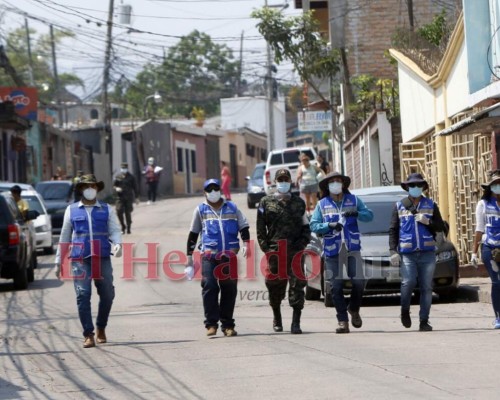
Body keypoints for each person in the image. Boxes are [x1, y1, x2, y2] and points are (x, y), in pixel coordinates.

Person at [54, 174, 122, 348]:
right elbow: (65, 236)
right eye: (86, 186)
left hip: (102, 257)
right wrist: (58, 261)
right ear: (81, 189)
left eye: (92, 186)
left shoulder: (107, 209)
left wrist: (118, 244)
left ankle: (101, 326)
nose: (90, 189)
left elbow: (114, 230)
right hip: (80, 258)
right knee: (83, 295)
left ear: (97, 189)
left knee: (108, 294)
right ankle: (88, 333)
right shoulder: (72, 210)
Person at [310, 172, 374, 334]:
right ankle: (342, 321)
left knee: (359, 282)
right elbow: (314, 225)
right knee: (335, 287)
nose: (336, 184)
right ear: (327, 186)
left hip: (352, 247)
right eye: (332, 182)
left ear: (343, 184)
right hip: (332, 249)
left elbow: (369, 216)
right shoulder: (322, 204)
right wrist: (329, 226)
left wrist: (357, 213)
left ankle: (353, 308)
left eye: (338, 181)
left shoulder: (353, 200)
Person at [185, 178, 250, 337]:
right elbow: (193, 234)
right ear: (205, 193)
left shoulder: (232, 207)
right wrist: (189, 258)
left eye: (216, 189)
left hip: (229, 256)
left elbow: (244, 226)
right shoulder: (200, 210)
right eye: (210, 190)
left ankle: (227, 325)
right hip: (209, 256)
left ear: (220, 190)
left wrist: (246, 243)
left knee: (229, 289)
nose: (213, 192)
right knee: (210, 286)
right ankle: (211, 324)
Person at [256, 168, 311, 334]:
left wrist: (302, 244)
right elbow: (260, 229)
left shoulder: (299, 203)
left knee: (297, 286)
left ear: (290, 181)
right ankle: (277, 317)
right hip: (275, 252)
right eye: (280, 180)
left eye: (286, 179)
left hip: (295, 251)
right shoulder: (265, 202)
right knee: (274, 286)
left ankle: (296, 322)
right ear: (275, 182)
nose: (283, 182)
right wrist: (266, 248)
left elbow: (306, 227)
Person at [388, 172, 445, 332]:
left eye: (419, 185)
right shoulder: (399, 206)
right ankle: (404, 311)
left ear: (423, 187)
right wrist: (393, 250)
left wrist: (428, 222)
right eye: (412, 185)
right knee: (408, 282)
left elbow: (440, 227)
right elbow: (393, 230)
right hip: (408, 253)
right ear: (407, 187)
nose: (415, 188)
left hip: (427, 252)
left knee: (427, 287)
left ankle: (424, 320)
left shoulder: (431, 205)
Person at [471, 169, 500, 329]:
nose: (498, 186)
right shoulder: (483, 204)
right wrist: (474, 253)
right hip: (490, 248)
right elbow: (479, 229)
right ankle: (498, 317)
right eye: (495, 184)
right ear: (490, 187)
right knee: (497, 282)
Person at [113, 162, 139, 234]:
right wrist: (116, 188)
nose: (123, 169)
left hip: (128, 197)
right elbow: (114, 185)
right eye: (122, 168)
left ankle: (128, 227)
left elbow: (135, 187)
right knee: (118, 211)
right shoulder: (118, 176)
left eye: (124, 168)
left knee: (128, 212)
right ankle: (122, 226)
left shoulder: (131, 177)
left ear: (127, 169)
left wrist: (136, 197)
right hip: (120, 197)